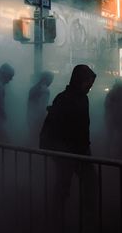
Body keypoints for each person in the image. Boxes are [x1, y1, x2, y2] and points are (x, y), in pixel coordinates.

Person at [39, 64, 97, 232]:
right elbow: (55, 126)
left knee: (87, 183)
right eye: (88, 82)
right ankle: (58, 219)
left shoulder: (81, 98)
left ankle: (81, 218)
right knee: (65, 186)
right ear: (79, 80)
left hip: (79, 150)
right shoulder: (64, 99)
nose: (90, 86)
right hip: (67, 151)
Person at [27, 71, 54, 147]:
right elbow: (42, 108)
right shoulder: (45, 91)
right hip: (39, 121)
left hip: (31, 119)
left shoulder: (32, 89)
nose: (51, 82)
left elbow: (30, 106)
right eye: (51, 80)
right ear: (46, 79)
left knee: (32, 141)